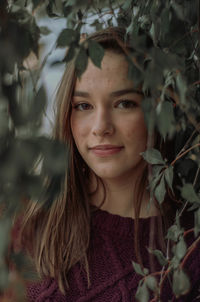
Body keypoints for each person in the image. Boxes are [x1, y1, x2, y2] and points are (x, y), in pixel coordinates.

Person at [19, 27, 200, 301]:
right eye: (83, 106)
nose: (100, 127)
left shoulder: (191, 249)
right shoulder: (22, 226)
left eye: (124, 103)